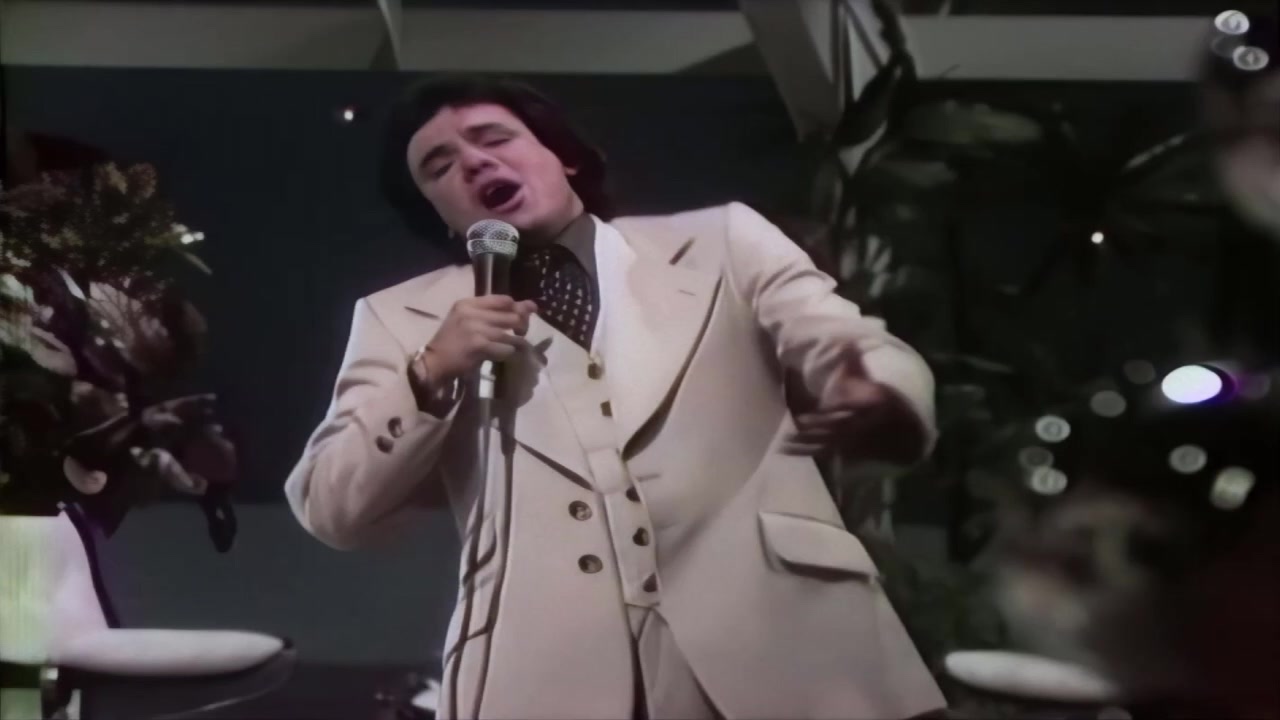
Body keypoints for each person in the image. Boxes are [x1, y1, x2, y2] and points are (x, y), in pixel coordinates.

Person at [285, 75, 944, 720]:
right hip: (544, 677)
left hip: (784, 643)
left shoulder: (720, 242)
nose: (473, 162)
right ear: (440, 212)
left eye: (494, 138)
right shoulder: (400, 318)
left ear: (563, 157)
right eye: (439, 166)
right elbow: (329, 507)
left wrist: (878, 389)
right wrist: (429, 374)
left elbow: (841, 337)